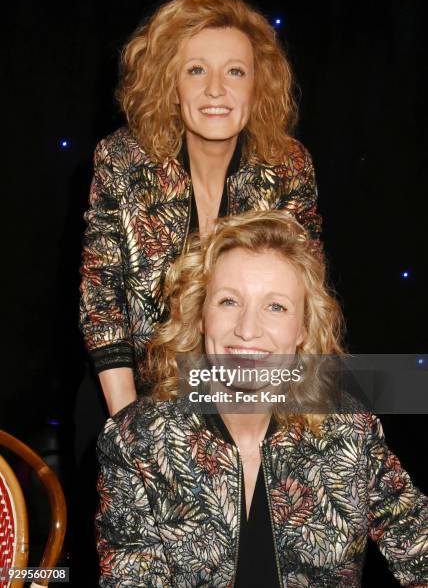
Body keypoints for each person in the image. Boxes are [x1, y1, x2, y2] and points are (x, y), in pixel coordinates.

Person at [96, 211, 428, 587]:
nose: (248, 330)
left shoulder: (349, 426)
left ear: (302, 327)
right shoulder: (136, 440)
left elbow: (418, 543)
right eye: (228, 302)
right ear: (201, 314)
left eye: (276, 306)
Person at [79, 0, 323, 417]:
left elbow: (302, 296)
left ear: (257, 87)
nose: (215, 89)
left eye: (234, 72)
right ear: (170, 87)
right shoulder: (121, 159)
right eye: (195, 70)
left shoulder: (289, 166)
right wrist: (131, 425)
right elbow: (101, 304)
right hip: (129, 390)